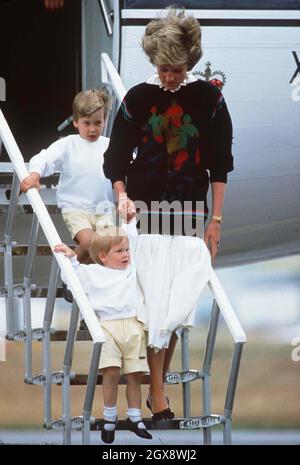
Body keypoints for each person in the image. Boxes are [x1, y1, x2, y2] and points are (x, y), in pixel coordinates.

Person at [103, 8, 234, 421]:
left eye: (176, 69)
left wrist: (216, 221)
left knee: (176, 310)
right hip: (145, 212)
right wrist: (121, 196)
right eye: (163, 68)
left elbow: (220, 164)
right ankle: (158, 397)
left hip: (192, 212)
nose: (169, 77)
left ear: (189, 62)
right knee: (154, 308)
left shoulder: (210, 98)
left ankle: (156, 394)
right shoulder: (138, 97)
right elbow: (115, 159)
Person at [53, 205, 152, 444]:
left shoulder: (132, 269)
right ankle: (110, 418)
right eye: (120, 251)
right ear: (104, 257)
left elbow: (133, 239)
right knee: (111, 374)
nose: (126, 254)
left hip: (134, 327)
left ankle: (135, 417)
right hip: (107, 327)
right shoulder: (94, 273)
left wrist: (130, 222)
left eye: (126, 249)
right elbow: (73, 274)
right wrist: (69, 255)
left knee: (134, 375)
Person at [20, 89, 114, 309]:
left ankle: (86, 290)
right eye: (87, 123)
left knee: (108, 250)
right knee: (90, 242)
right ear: (75, 122)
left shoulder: (109, 145)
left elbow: (131, 164)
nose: (92, 129)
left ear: (105, 121)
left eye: (98, 123)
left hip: (104, 208)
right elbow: (44, 158)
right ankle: (69, 276)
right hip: (76, 208)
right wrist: (34, 174)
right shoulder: (68, 145)